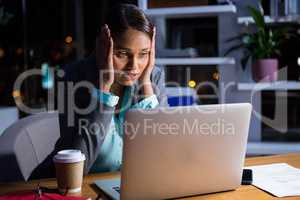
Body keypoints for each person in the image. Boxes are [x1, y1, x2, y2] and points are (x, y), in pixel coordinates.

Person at [56, 3, 168, 174]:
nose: (135, 67)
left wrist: (146, 85)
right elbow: (78, 168)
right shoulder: (73, 77)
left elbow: (164, 156)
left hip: (134, 185)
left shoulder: (153, 77)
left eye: (143, 54)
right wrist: (104, 88)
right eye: (122, 54)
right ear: (102, 46)